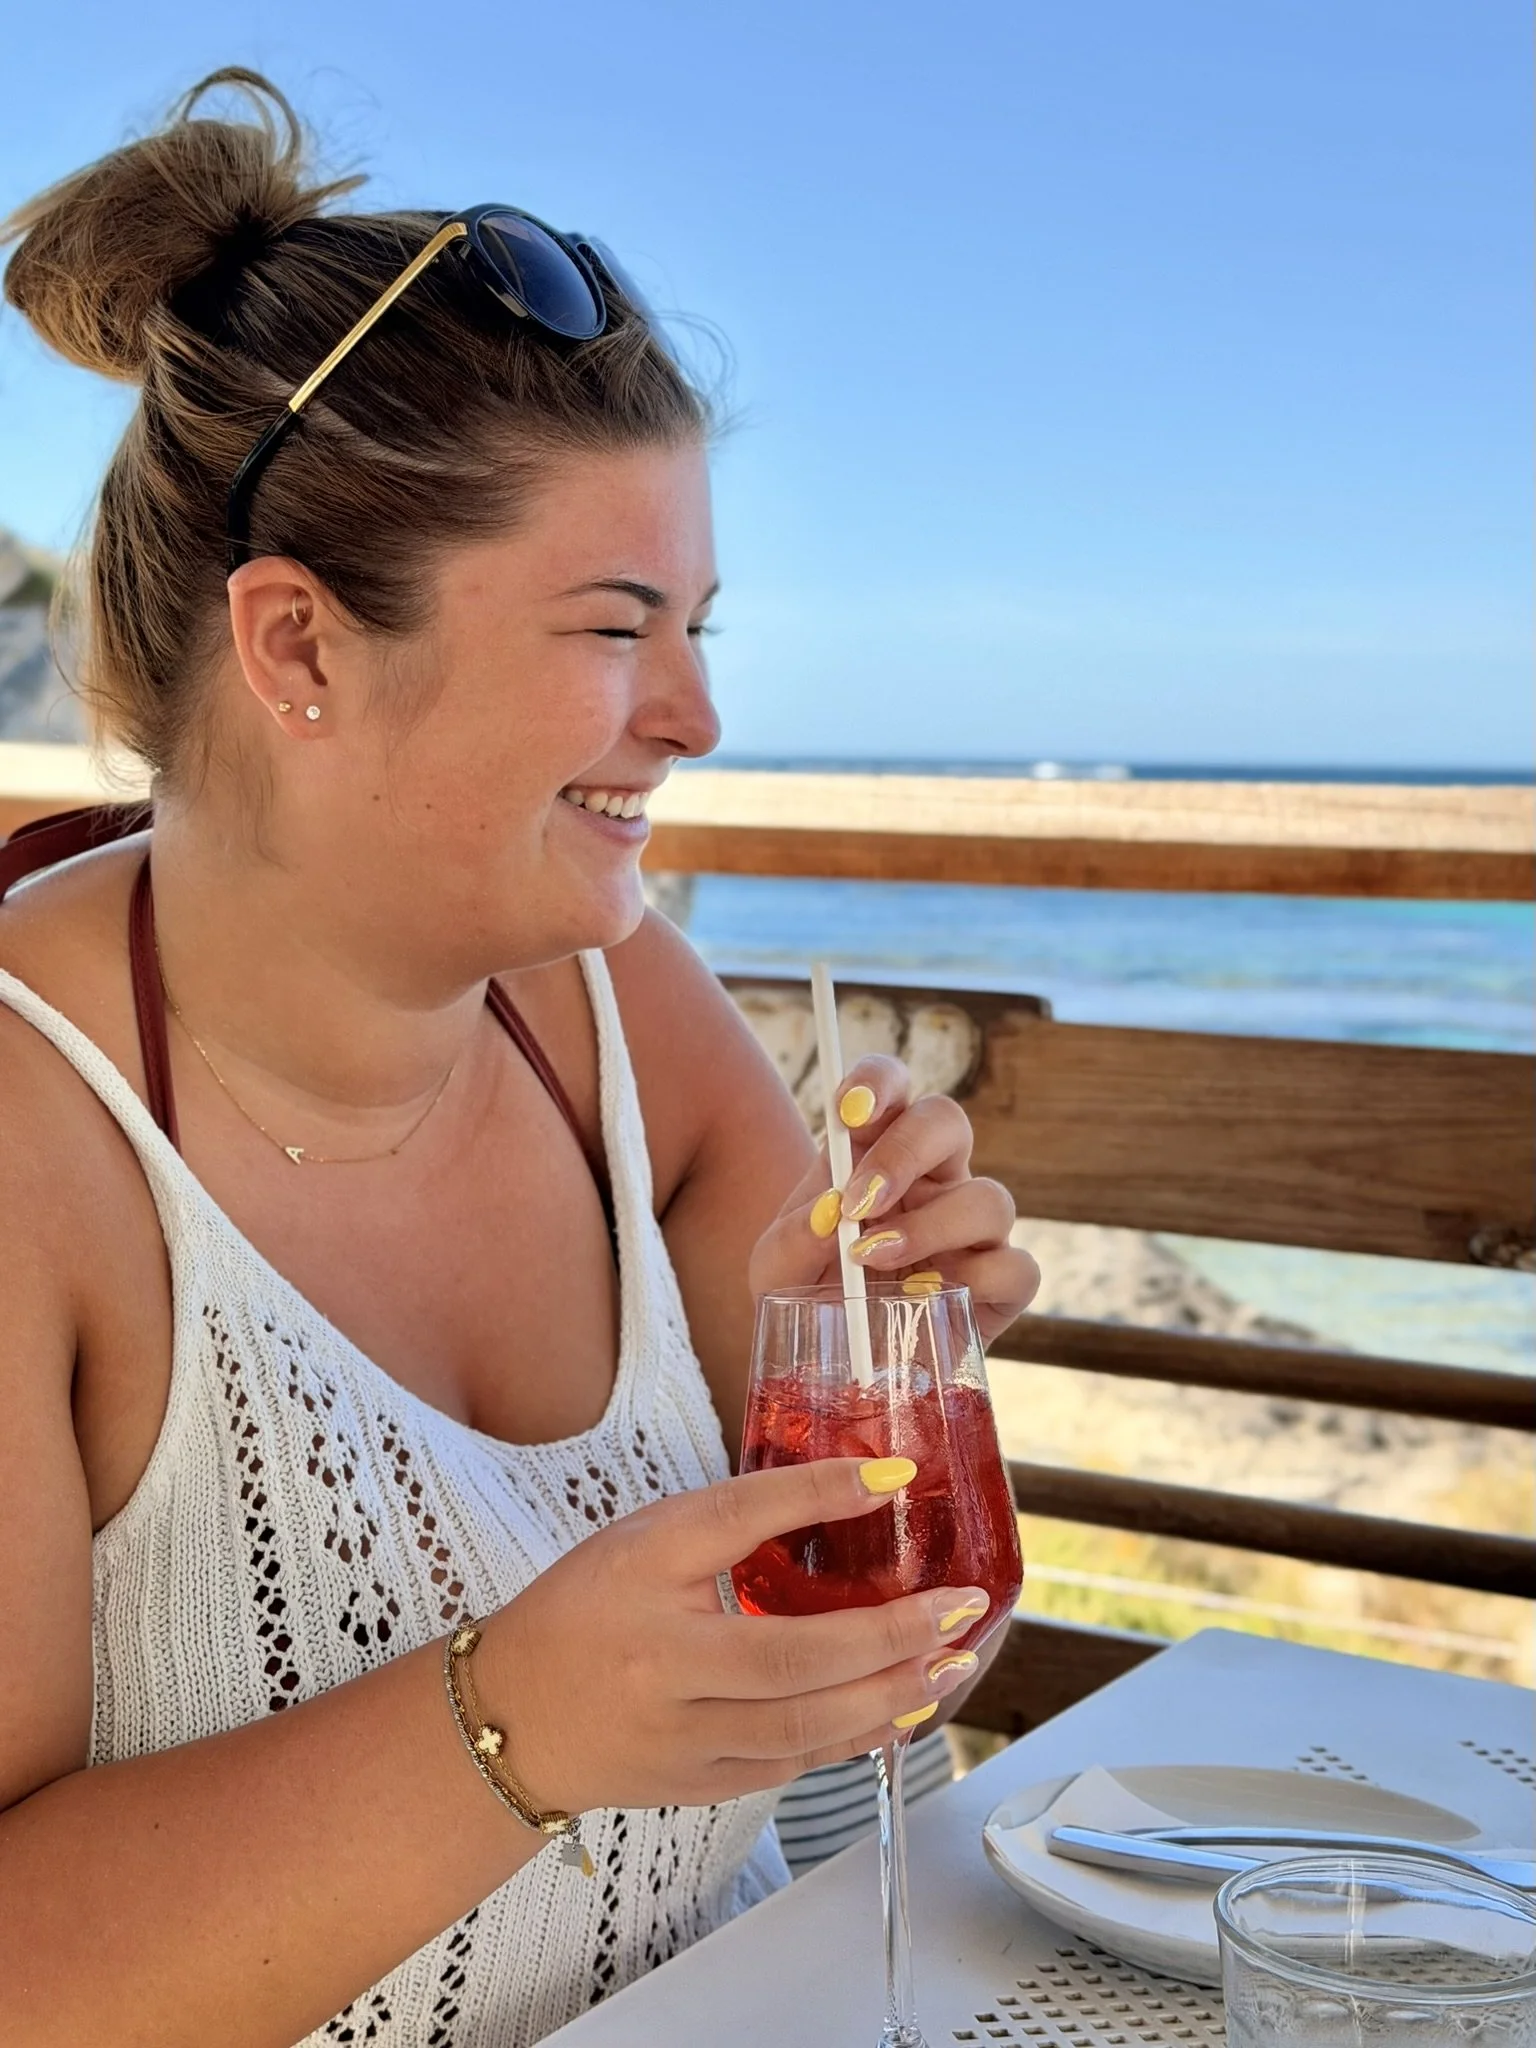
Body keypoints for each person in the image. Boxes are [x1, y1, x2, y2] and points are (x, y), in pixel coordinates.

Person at [0, 70, 1038, 2048]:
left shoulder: (616, 1003)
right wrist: (507, 1727)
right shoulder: (29, 1138)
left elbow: (919, 1648)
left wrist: (904, 1369)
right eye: (617, 624)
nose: (700, 712)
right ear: (298, 648)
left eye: (705, 623)